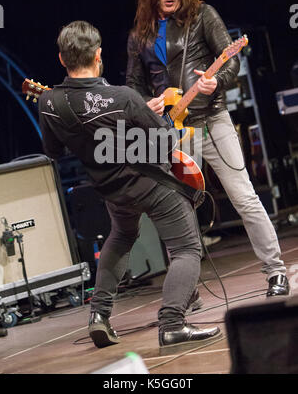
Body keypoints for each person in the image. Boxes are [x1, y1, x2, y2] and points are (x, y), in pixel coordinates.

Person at [38, 20, 221, 354]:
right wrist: (147, 115)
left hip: (111, 189)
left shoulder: (48, 103)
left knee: (121, 237)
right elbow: (166, 142)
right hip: (151, 184)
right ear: (98, 55)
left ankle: (99, 315)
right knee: (187, 249)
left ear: (62, 59)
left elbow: (54, 152)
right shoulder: (122, 97)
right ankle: (172, 324)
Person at [126, 0, 290, 297]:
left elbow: (230, 61)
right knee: (176, 210)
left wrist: (218, 83)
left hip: (212, 119)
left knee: (244, 196)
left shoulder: (202, 15)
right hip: (174, 131)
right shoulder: (140, 34)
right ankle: (185, 290)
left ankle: (276, 271)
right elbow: (133, 86)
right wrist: (147, 103)